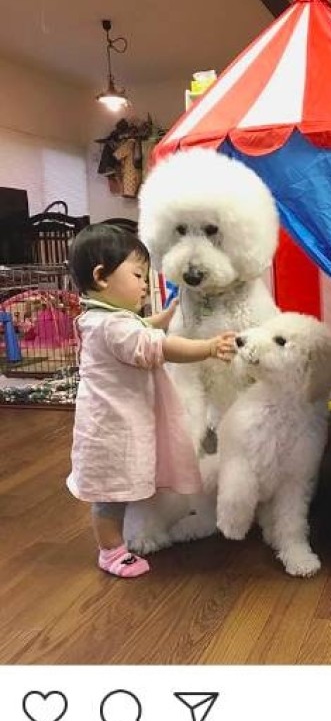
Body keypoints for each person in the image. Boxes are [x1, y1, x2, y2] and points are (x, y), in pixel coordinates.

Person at [67, 223, 236, 578]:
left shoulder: (105, 318)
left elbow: (145, 328)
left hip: (113, 423)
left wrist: (171, 312)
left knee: (121, 486)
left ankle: (119, 539)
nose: (145, 283)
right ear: (101, 277)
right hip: (111, 431)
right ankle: (111, 551)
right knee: (110, 496)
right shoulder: (113, 327)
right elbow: (158, 346)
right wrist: (206, 347)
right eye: (138, 275)